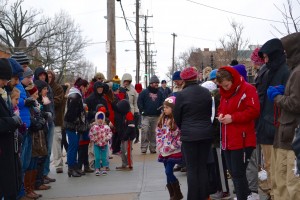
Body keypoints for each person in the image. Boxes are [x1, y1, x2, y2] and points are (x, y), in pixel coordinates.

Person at [216, 66, 260, 200]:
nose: (225, 88)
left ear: (232, 80)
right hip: (228, 139)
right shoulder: (224, 93)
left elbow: (254, 111)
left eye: (227, 85)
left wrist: (233, 117)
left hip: (243, 139)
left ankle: (244, 196)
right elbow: (220, 109)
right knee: (234, 173)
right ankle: (245, 196)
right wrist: (221, 116)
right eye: (222, 86)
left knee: (238, 173)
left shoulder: (248, 89)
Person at [267, 32, 300, 200]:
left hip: (293, 137)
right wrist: (283, 92)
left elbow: (295, 104)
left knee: (292, 186)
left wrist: (277, 98)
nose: (284, 55)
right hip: (286, 135)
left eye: (286, 51)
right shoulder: (294, 70)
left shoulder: (298, 72)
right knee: (282, 183)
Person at [256, 38, 290, 199]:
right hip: (266, 124)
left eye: (267, 57)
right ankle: (272, 192)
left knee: (278, 168)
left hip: (276, 126)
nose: (265, 61)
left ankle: (275, 193)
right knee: (270, 165)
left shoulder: (285, 71)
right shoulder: (268, 71)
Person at [173, 66, 213, 200]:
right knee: (202, 167)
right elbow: (209, 112)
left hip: (189, 135)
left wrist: (184, 127)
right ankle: (203, 196)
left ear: (184, 80)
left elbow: (177, 116)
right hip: (206, 133)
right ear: (195, 77)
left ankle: (193, 197)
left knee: (192, 168)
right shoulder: (206, 92)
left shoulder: (181, 95)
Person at [0, 58, 23, 200]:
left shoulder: (3, 93)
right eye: (3, 79)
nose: (5, 82)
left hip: (7, 149)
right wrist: (11, 121)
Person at [156, 96, 183, 200]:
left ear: (173, 108)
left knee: (168, 171)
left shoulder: (176, 121)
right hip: (164, 151)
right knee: (167, 173)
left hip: (173, 150)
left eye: (167, 107)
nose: (164, 109)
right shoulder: (162, 119)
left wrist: (173, 145)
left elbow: (179, 136)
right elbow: (158, 133)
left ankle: (178, 192)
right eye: (164, 107)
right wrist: (160, 144)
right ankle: (172, 195)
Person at [64, 78, 89, 177]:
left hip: (71, 125)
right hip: (72, 126)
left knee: (74, 146)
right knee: (73, 147)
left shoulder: (74, 95)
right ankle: (71, 168)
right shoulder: (76, 96)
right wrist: (77, 121)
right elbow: (71, 113)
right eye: (86, 88)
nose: (86, 90)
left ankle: (73, 167)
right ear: (82, 86)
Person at [138, 75, 164, 154]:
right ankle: (143, 147)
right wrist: (142, 111)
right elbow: (139, 102)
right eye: (155, 82)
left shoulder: (160, 93)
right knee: (144, 131)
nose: (157, 84)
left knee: (154, 133)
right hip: (146, 116)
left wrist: (161, 109)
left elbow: (163, 102)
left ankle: (153, 147)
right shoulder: (144, 92)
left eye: (157, 83)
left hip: (156, 116)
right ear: (151, 83)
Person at [47, 70, 65, 174]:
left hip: (56, 120)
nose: (48, 78)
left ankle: (58, 165)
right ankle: (45, 169)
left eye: (50, 77)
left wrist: (46, 99)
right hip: (45, 120)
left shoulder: (58, 88)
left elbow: (58, 101)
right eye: (47, 76)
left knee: (56, 143)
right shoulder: (41, 86)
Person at [89, 111, 112, 176]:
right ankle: (97, 168)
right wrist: (93, 139)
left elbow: (110, 133)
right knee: (97, 157)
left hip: (104, 144)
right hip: (96, 144)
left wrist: (107, 138)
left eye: (102, 118)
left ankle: (104, 168)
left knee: (104, 157)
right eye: (99, 118)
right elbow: (90, 134)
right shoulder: (94, 127)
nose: (100, 120)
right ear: (96, 119)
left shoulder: (106, 127)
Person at [115, 99, 136, 171]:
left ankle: (130, 165)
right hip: (124, 136)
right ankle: (124, 164)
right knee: (123, 150)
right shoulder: (122, 115)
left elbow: (131, 126)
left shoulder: (129, 114)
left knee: (127, 151)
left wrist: (125, 135)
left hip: (128, 137)